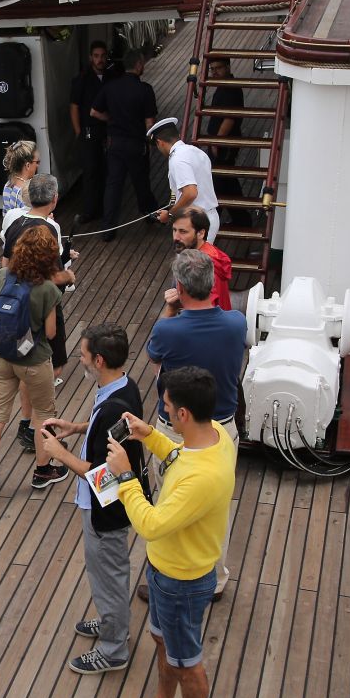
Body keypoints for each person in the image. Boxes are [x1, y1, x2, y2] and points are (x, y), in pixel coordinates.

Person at [106, 367, 237, 698]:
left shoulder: (202, 478)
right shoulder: (214, 435)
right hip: (166, 572)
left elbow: (150, 524)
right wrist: (150, 435)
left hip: (181, 583)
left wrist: (125, 476)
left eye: (165, 406)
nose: (161, 410)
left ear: (183, 413)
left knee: (187, 664)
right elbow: (181, 455)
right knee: (165, 642)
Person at [38, 324, 151, 675]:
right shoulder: (124, 387)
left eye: (84, 355)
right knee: (107, 573)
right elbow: (109, 428)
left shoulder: (112, 405)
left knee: (108, 576)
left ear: (99, 360)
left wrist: (60, 453)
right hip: (110, 505)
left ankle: (114, 648)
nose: (81, 360)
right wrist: (77, 427)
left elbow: (104, 474)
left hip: (106, 510)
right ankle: (111, 621)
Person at [146, 248, 246, 598]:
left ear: (180, 287)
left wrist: (169, 310)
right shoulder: (237, 323)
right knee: (218, 506)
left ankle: (170, 576)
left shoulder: (168, 330)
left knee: (170, 503)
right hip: (223, 430)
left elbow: (155, 357)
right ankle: (215, 580)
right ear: (212, 284)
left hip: (178, 432)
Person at [0, 225, 70, 494]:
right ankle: (42, 471)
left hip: (2, 358)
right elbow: (50, 333)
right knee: (43, 416)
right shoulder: (48, 289)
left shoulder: (1, 276)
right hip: (34, 362)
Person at [1, 173, 78, 450]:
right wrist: (69, 276)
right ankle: (37, 429)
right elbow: (53, 275)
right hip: (43, 305)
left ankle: (26, 423)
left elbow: (5, 266)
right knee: (51, 365)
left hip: (17, 306)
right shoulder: (50, 228)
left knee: (25, 363)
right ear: (54, 199)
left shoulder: (14, 222)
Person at [91, 49, 160, 240]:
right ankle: (150, 214)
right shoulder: (145, 89)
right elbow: (149, 122)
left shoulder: (110, 87)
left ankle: (108, 229)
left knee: (113, 186)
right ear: (138, 65)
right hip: (136, 144)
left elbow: (94, 112)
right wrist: (151, 144)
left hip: (115, 144)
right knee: (141, 183)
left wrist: (111, 119)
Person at [150, 117, 220, 245]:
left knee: (190, 259)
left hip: (195, 222)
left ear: (160, 142)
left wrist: (170, 214)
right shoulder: (196, 151)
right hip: (206, 216)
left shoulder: (178, 159)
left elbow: (190, 193)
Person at [69, 40, 116, 222]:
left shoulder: (112, 77)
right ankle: (89, 211)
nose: (100, 60)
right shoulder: (81, 80)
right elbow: (74, 106)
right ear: (90, 57)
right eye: (96, 56)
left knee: (107, 170)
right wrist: (78, 132)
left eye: (103, 56)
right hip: (89, 131)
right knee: (90, 171)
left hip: (109, 130)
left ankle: (106, 208)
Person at [205, 57, 251, 228]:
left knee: (218, 183)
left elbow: (229, 118)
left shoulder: (230, 89)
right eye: (212, 69)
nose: (215, 72)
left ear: (228, 67)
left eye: (218, 68)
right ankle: (242, 220)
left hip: (224, 144)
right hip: (221, 142)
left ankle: (213, 221)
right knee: (227, 182)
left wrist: (216, 142)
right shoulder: (225, 86)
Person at [171, 207, 231, 311]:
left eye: (183, 232)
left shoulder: (202, 267)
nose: (176, 237)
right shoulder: (207, 255)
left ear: (201, 233)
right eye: (174, 230)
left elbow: (205, 311)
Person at [1, 140, 39, 214]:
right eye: (37, 162)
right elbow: (32, 220)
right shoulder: (27, 193)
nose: (38, 165)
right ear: (28, 165)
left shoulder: (8, 185)